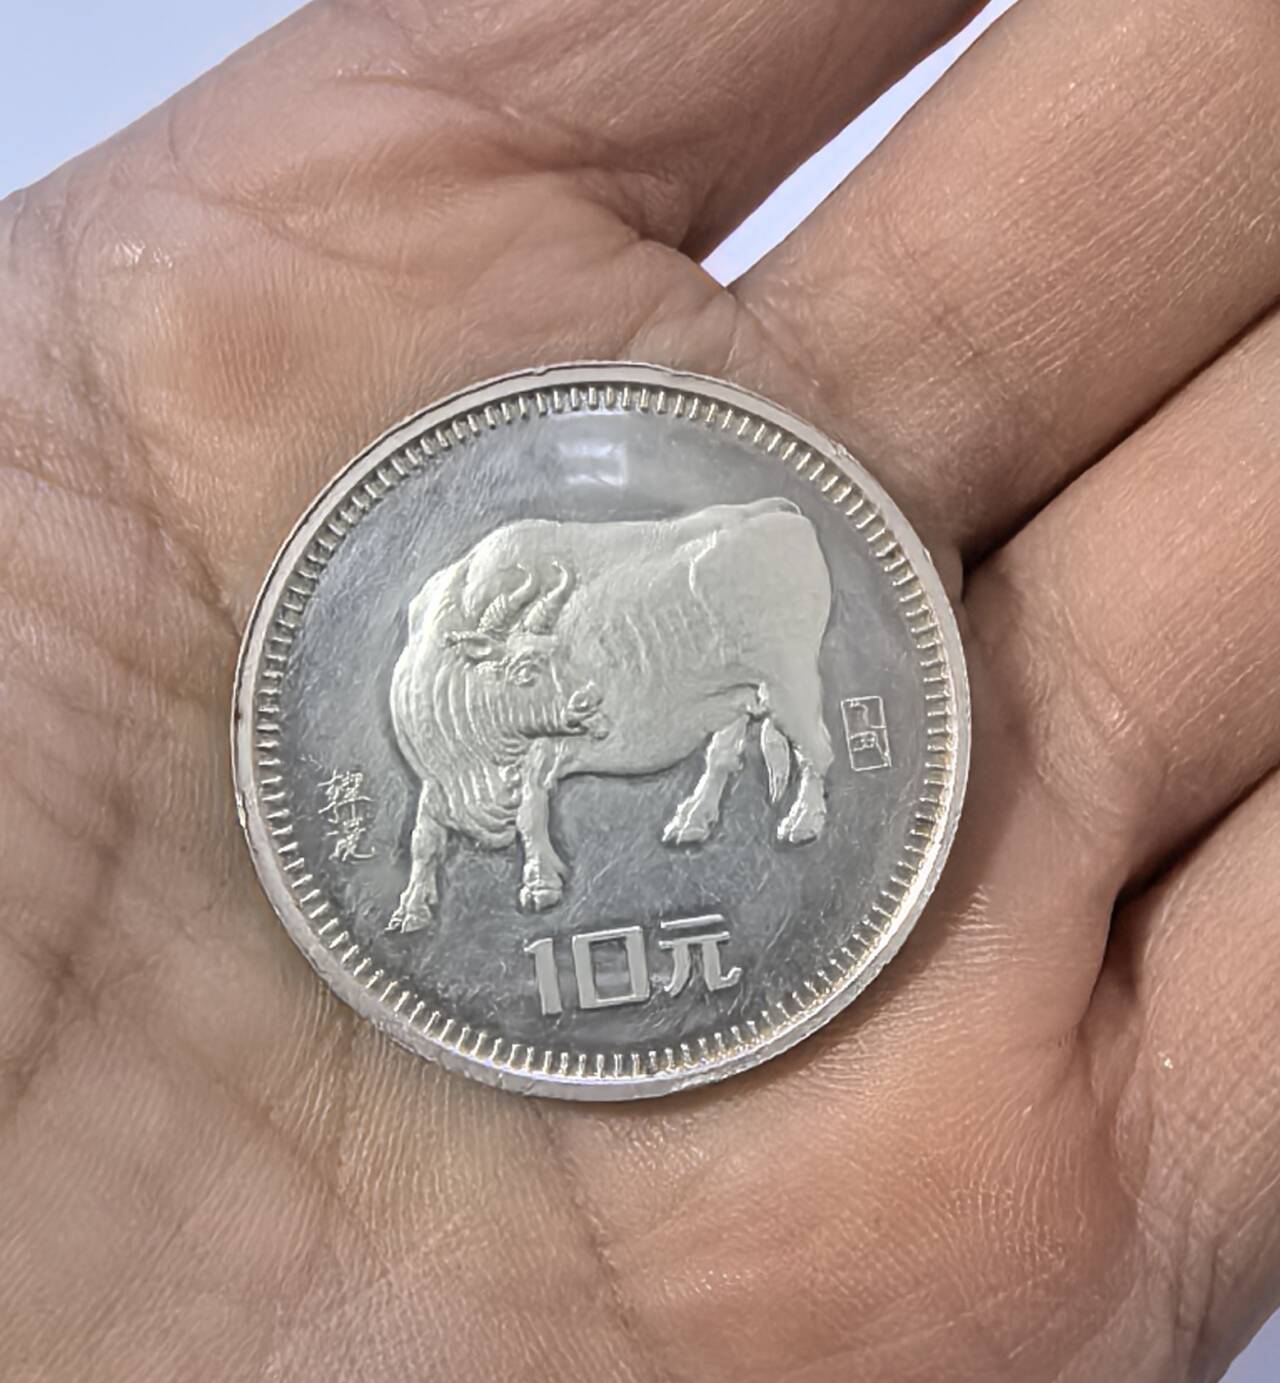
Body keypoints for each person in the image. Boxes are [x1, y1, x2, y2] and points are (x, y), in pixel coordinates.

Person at [2, 1, 1277, 1378]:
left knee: (772, 698)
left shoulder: (621, 624)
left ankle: (797, 782)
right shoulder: (449, 694)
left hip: (709, 621)